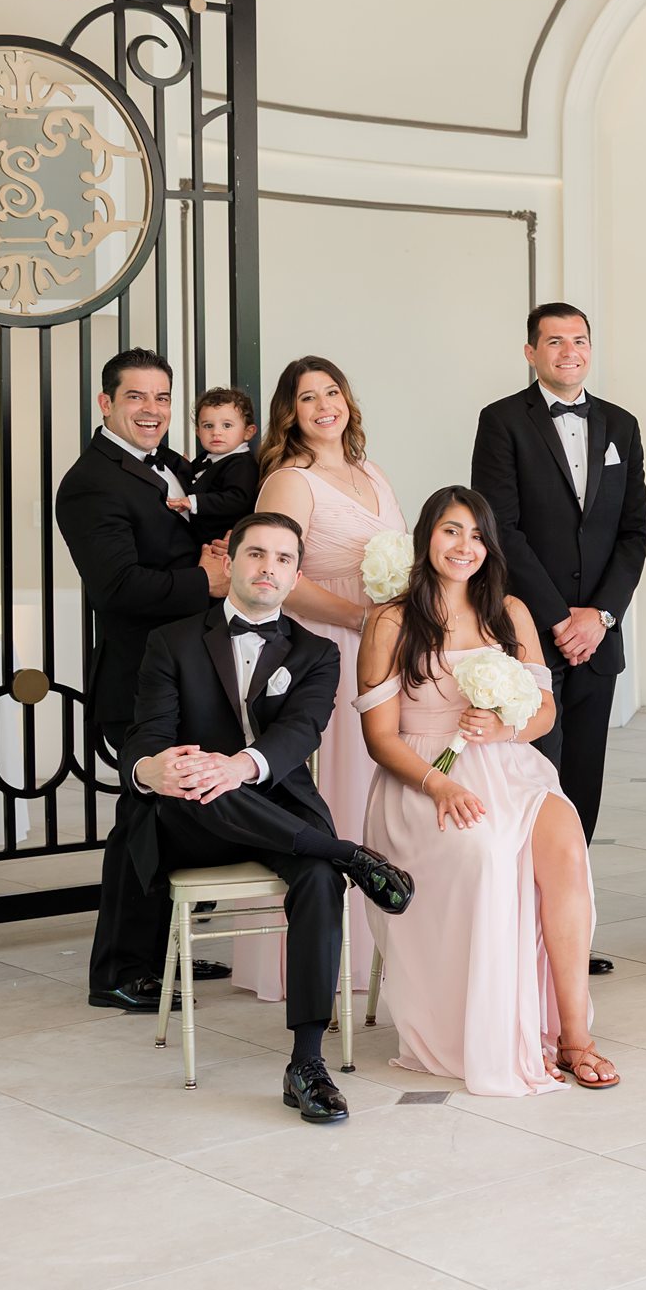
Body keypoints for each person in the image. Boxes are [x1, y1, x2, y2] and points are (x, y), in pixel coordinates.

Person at [117, 511, 417, 1124]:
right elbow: (148, 735)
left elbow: (300, 731)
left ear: (296, 573)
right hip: (188, 818)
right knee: (201, 784)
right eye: (256, 554)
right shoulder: (171, 641)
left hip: (270, 804)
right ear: (230, 561)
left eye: (283, 559)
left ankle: (306, 1062)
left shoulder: (317, 653)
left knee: (314, 877)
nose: (268, 568)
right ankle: (347, 854)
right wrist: (152, 770)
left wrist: (240, 768)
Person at [357, 488, 619, 1092]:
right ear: (427, 537)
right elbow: (380, 737)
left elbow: (546, 713)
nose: (464, 546)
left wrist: (506, 725)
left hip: (509, 766)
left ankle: (576, 1035)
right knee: (485, 852)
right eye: (451, 531)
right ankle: (489, 1023)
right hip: (424, 778)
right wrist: (440, 786)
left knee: (566, 845)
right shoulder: (392, 620)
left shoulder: (511, 613)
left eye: (476, 535)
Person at [470, 302, 646, 976]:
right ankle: (522, 931)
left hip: (597, 638)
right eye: (554, 341)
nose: (568, 351)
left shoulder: (621, 425)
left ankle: (570, 931)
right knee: (535, 780)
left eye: (579, 340)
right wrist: (555, 619)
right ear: (530, 352)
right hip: (531, 638)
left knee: (584, 784)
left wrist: (599, 615)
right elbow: (500, 529)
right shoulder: (501, 421)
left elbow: (635, 530)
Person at [57, 346, 231, 1012]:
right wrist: (206, 581)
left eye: (162, 397)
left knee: (175, 817)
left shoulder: (172, 467)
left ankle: (165, 954)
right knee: (144, 818)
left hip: (185, 674)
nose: (153, 409)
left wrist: (211, 554)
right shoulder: (90, 482)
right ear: (106, 404)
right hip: (136, 682)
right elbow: (117, 586)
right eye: (137, 397)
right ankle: (120, 971)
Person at [228, 355, 407, 1003]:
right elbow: (282, 577)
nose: (325, 405)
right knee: (339, 788)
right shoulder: (289, 480)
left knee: (383, 790)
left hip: (384, 644)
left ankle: (386, 938)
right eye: (309, 398)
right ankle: (323, 956)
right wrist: (362, 617)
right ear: (291, 413)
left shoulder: (370, 471)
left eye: (333, 392)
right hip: (328, 642)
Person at [185, 386, 262, 547]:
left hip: (221, 545)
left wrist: (195, 502)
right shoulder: (205, 458)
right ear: (198, 432)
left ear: (248, 432)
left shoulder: (242, 464)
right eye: (208, 426)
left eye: (227, 425)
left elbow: (238, 499)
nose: (216, 432)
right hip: (196, 540)